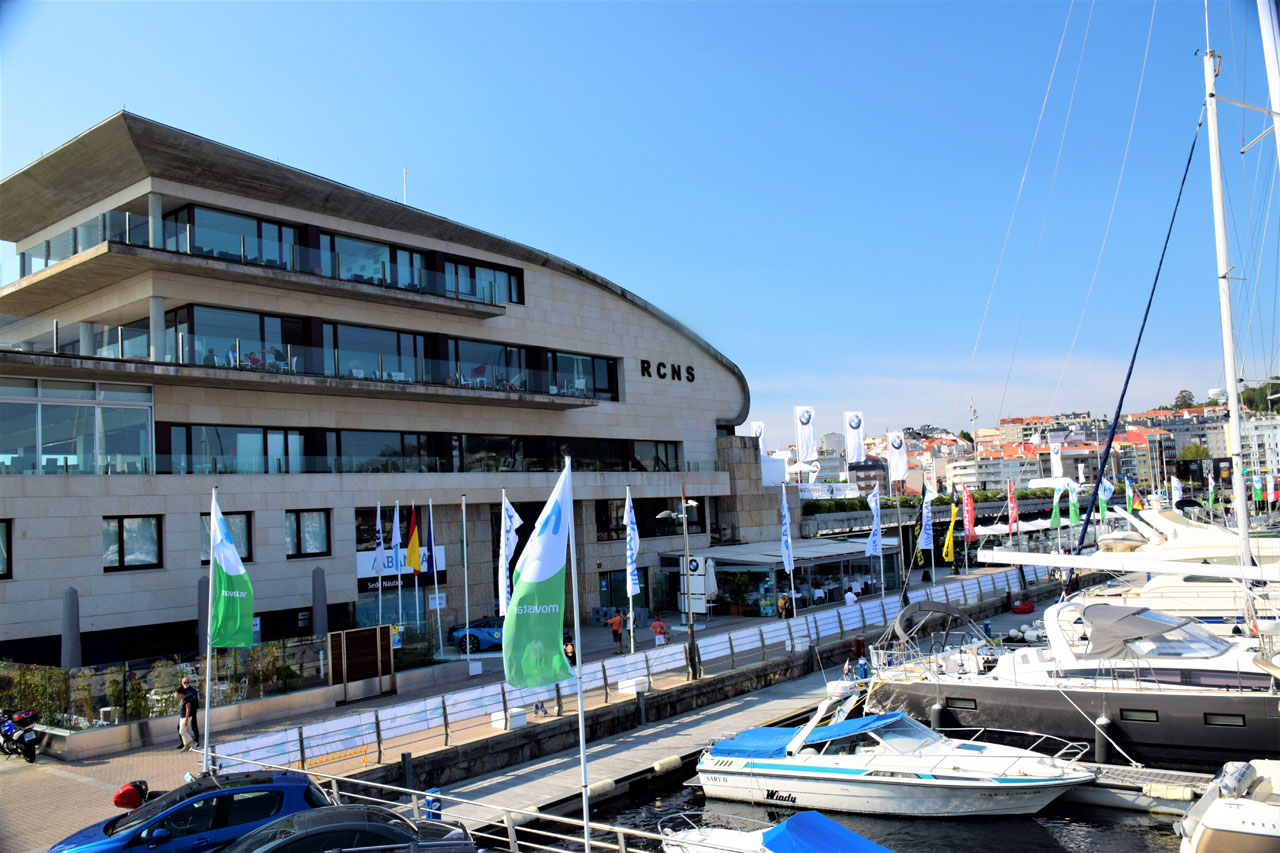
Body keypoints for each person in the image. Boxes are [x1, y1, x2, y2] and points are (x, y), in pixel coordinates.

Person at [181, 676, 200, 748]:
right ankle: (185, 743)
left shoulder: (193, 691)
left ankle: (196, 741)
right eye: (184, 682)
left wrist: (187, 699)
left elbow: (194, 700)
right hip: (184, 712)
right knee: (181, 727)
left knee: (193, 726)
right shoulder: (182, 691)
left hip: (192, 711)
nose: (186, 684)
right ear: (182, 683)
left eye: (187, 682)